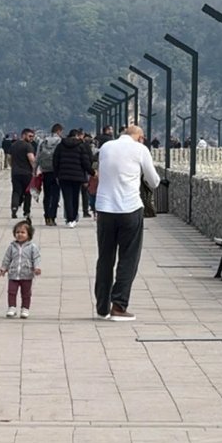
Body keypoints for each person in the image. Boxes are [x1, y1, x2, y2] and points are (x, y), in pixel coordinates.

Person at [93, 126, 161, 321]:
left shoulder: (106, 147)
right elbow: (154, 181)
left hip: (105, 208)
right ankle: (119, 306)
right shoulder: (140, 149)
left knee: (105, 258)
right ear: (140, 137)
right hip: (130, 208)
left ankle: (102, 307)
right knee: (128, 258)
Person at [0, 220, 41, 319]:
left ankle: (25, 308)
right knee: (11, 292)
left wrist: (36, 268)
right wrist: (3, 269)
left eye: (22, 232)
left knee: (26, 293)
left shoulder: (32, 247)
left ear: (28, 235)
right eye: (17, 232)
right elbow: (7, 258)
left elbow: (36, 258)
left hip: (27, 274)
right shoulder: (12, 247)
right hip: (13, 274)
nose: (19, 234)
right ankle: (12, 307)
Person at [53, 128, 93, 228]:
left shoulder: (60, 146)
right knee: (75, 197)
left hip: (64, 176)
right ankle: (74, 218)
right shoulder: (81, 146)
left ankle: (69, 218)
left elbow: (55, 161)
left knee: (67, 198)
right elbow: (85, 162)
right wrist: (92, 172)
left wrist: (56, 174)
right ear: (76, 136)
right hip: (77, 176)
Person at [35, 123, 64, 226]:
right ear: (59, 131)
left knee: (47, 195)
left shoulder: (43, 142)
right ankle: (52, 217)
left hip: (45, 171)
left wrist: (35, 171)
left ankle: (46, 216)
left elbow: (37, 157)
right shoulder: (60, 142)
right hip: (57, 172)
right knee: (55, 195)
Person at [9, 128, 37, 219]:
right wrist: (35, 170)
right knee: (28, 193)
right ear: (23, 135)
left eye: (32, 136)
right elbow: (31, 159)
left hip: (15, 173)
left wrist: (12, 166)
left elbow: (9, 158)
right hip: (27, 173)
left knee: (16, 191)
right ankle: (26, 212)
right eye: (30, 136)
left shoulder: (13, 145)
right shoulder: (28, 146)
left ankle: (14, 208)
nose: (31, 138)